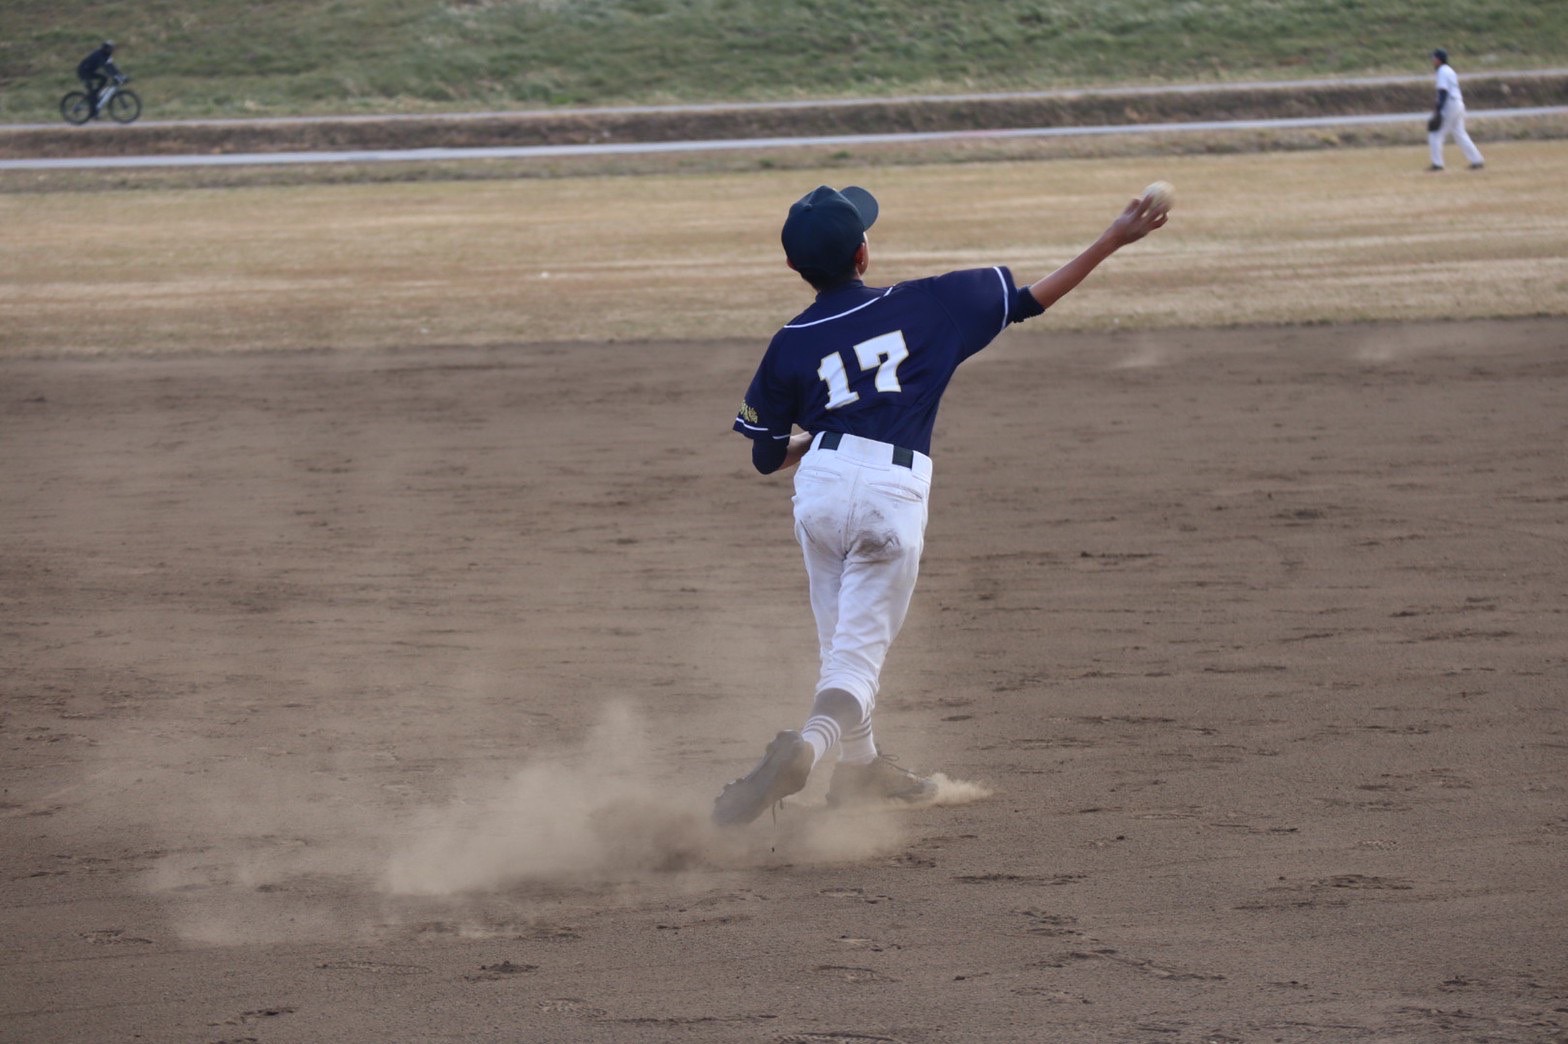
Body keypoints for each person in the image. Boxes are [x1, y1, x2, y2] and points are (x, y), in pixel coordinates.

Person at [712, 183, 1169, 827]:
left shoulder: (790, 340)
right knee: (855, 661)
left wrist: (826, 434)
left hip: (818, 490)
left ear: (793, 267)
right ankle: (806, 750)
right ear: (863, 254)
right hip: (888, 496)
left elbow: (763, 455)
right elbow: (1028, 301)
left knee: (843, 650)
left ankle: (861, 771)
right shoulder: (930, 305)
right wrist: (1113, 238)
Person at [1427, 48, 1484, 172]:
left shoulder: (1442, 71)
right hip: (1458, 103)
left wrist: (1438, 110)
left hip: (1450, 104)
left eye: (1433, 58)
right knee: (1460, 133)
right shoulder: (1449, 70)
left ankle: (1437, 164)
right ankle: (1477, 160)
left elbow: (1443, 91)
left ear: (1438, 59)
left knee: (1435, 134)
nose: (1432, 61)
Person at [76, 41, 121, 118]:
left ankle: (96, 93)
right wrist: (114, 76)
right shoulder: (99, 55)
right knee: (91, 90)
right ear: (105, 48)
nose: (111, 51)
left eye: (112, 49)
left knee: (104, 79)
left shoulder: (107, 55)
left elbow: (111, 66)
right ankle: (93, 113)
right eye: (110, 49)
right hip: (83, 71)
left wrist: (120, 75)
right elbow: (105, 67)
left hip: (90, 71)